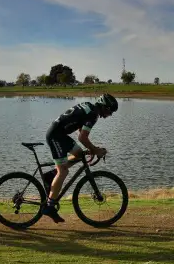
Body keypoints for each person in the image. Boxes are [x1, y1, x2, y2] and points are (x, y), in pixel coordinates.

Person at [42, 93, 119, 222]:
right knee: (64, 172)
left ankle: (52, 175)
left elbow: (79, 126)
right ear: (104, 107)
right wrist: (95, 150)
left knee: (80, 155)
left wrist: (91, 148)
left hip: (60, 134)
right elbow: (82, 137)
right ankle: (49, 207)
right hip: (56, 136)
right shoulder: (93, 115)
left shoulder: (89, 107)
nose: (110, 114)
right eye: (110, 111)